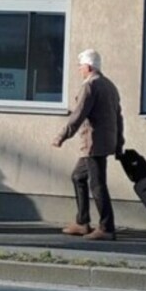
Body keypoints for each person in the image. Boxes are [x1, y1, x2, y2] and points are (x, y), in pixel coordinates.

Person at [52, 49, 124, 241]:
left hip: (94, 143)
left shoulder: (90, 86)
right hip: (105, 141)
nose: (79, 70)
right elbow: (119, 117)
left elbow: (78, 115)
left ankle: (106, 228)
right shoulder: (110, 86)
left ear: (89, 67)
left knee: (98, 185)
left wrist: (61, 136)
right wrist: (119, 144)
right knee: (78, 177)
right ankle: (82, 222)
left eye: (81, 66)